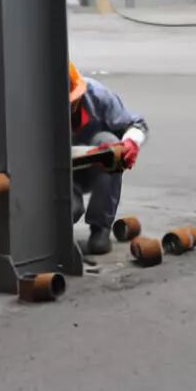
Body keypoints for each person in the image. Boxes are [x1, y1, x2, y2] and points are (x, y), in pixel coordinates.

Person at [68, 61, 148, 255]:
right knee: (71, 210)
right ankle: (58, 223)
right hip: (58, 174)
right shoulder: (34, 108)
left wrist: (131, 143)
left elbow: (137, 124)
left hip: (93, 165)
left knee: (112, 145)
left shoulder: (97, 95)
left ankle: (100, 228)